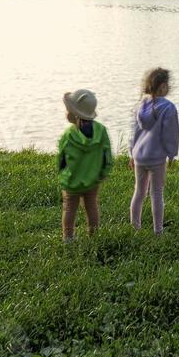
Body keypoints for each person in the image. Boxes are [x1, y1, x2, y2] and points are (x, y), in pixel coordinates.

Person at [57, 88, 113, 242]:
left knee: (69, 209)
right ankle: (93, 236)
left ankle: (68, 237)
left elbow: (62, 159)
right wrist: (103, 173)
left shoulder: (68, 135)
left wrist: (62, 174)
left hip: (71, 182)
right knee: (92, 207)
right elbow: (107, 155)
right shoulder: (101, 131)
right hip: (93, 180)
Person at [130, 67, 179, 235]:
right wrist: (172, 153)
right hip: (157, 158)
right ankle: (158, 231)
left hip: (139, 156)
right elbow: (170, 134)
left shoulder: (140, 105)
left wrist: (132, 152)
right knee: (156, 193)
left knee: (139, 191)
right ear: (163, 86)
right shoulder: (168, 107)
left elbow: (134, 131)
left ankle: (135, 227)